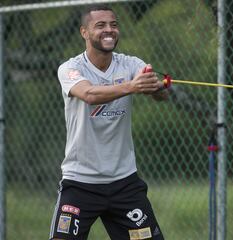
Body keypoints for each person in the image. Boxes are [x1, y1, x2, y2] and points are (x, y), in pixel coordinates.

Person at [49, 4, 167, 240]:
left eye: (113, 25)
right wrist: (132, 87)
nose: (109, 30)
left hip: (124, 182)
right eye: (100, 25)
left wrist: (155, 86)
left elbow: (161, 95)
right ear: (84, 32)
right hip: (80, 182)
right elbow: (90, 95)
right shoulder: (70, 68)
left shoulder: (131, 64)